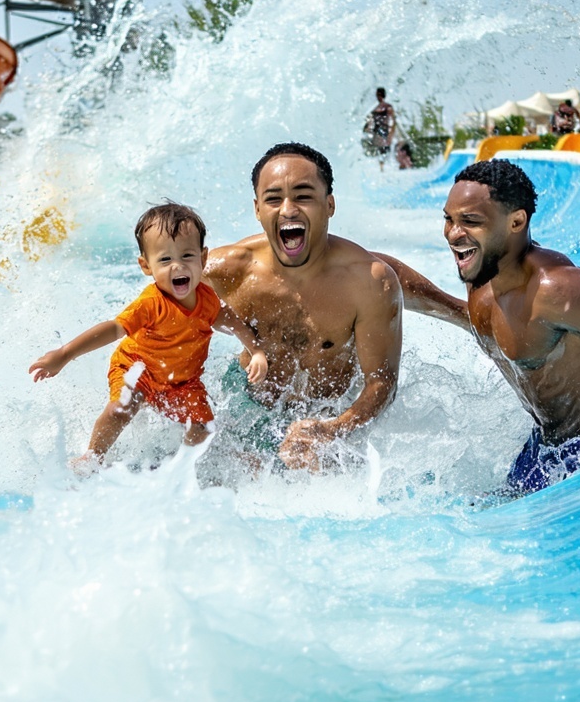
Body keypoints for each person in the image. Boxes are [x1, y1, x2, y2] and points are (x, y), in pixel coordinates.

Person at [377, 159, 580, 496]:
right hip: (544, 450)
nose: (454, 234)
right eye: (449, 219)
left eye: (470, 221)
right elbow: (483, 322)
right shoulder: (483, 277)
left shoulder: (558, 290)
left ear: (517, 221)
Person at [204, 142, 405, 472]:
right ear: (257, 209)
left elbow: (381, 383)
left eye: (303, 195)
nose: (287, 210)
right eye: (273, 199)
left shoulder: (367, 281)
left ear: (329, 205)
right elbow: (154, 318)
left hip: (329, 414)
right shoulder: (229, 271)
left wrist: (332, 430)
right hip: (247, 408)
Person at [30, 203, 268, 476]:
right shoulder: (150, 304)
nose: (177, 265)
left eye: (187, 255)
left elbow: (232, 322)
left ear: (203, 259)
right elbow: (112, 329)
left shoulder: (208, 300)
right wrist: (64, 354)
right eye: (165, 260)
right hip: (136, 368)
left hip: (183, 382)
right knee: (123, 407)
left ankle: (182, 472)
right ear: (146, 265)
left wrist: (256, 350)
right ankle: (92, 456)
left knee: (202, 429)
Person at [363, 88, 397, 168]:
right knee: (376, 151)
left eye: (379, 95)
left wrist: (391, 134)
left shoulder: (387, 107)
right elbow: (370, 120)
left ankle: (383, 168)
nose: (377, 97)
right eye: (377, 95)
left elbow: (394, 121)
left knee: (384, 151)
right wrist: (367, 127)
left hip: (384, 131)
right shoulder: (375, 108)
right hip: (376, 131)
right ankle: (379, 168)